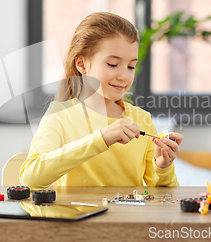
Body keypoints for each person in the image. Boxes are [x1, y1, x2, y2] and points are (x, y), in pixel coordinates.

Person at [20, 12, 181, 190]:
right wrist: (100, 139)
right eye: (112, 64)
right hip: (75, 218)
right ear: (81, 64)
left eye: (131, 66)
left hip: (126, 218)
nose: (124, 76)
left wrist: (163, 167)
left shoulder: (141, 119)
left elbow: (164, 196)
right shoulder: (60, 115)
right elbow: (30, 178)